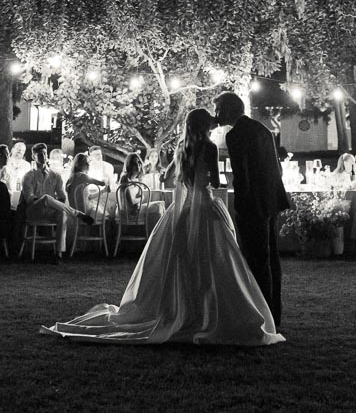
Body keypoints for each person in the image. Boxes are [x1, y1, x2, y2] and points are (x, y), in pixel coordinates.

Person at [42, 107, 284, 345]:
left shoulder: (182, 148)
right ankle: (207, 308)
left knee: (180, 257)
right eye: (210, 119)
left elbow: (169, 178)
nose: (215, 120)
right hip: (205, 205)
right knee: (213, 259)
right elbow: (217, 180)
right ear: (204, 125)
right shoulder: (209, 148)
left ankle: (177, 306)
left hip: (184, 208)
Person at [216, 92, 290, 326]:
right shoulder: (262, 129)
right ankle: (274, 313)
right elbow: (276, 168)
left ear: (228, 110)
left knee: (256, 259)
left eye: (218, 109)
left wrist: (241, 205)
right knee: (271, 259)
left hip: (252, 205)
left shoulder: (236, 134)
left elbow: (242, 175)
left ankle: (261, 317)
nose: (216, 114)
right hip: (270, 200)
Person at [20, 144, 91, 258]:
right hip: (33, 210)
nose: (42, 156)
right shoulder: (28, 175)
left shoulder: (55, 175)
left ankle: (59, 253)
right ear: (33, 156)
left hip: (50, 210)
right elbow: (29, 199)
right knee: (46, 198)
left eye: (44, 153)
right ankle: (77, 213)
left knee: (62, 214)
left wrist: (53, 202)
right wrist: (46, 201)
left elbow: (62, 196)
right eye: (39, 154)